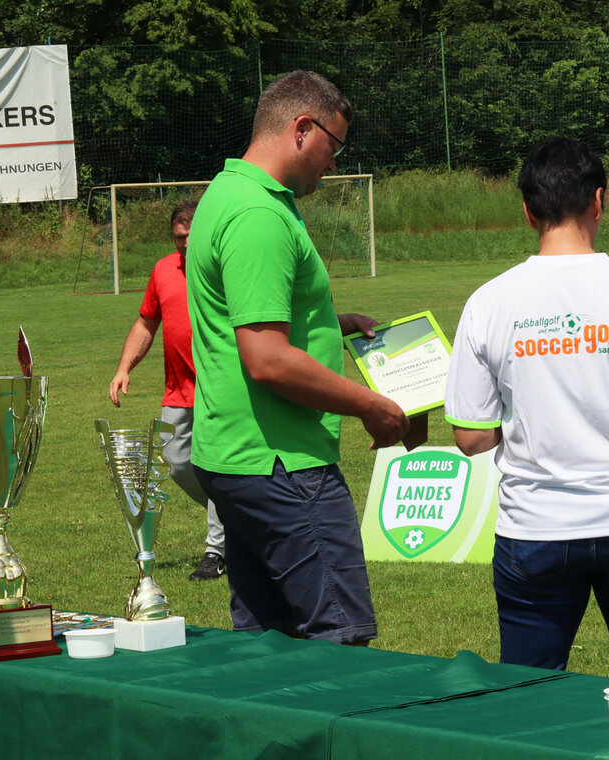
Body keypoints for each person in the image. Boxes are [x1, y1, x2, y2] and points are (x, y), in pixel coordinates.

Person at [444, 137, 609, 683]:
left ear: (526, 209)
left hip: (537, 526)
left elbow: (471, 438)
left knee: (531, 692)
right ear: (598, 201)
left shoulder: (488, 302)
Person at [186, 70, 409, 645]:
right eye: (334, 146)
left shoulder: (224, 193)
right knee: (338, 638)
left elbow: (250, 317)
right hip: (282, 462)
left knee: (267, 643)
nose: (334, 163)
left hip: (235, 459)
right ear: (302, 129)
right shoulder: (259, 216)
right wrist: (371, 406)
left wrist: (334, 326)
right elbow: (266, 358)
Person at [108, 200, 227, 581]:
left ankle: (217, 552)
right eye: (180, 238)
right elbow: (146, 323)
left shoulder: (223, 264)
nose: (187, 245)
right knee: (177, 462)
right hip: (178, 389)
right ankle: (238, 512)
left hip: (222, 386)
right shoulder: (162, 270)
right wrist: (125, 367)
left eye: (193, 236)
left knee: (215, 466)